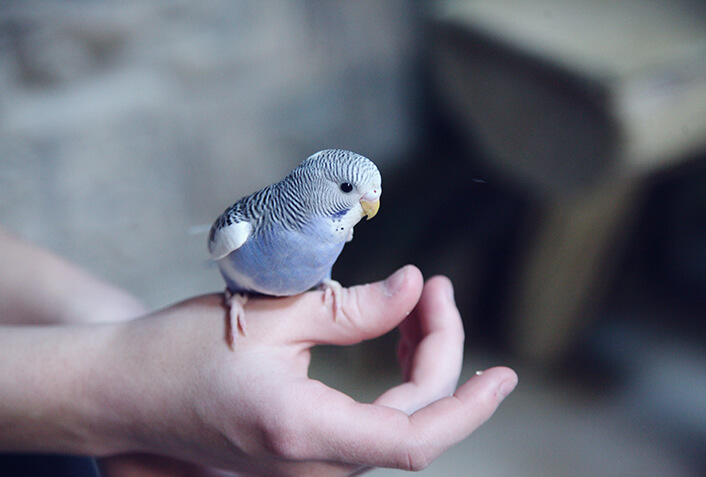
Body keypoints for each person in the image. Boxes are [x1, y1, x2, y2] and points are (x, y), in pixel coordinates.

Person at [0, 226, 517, 476]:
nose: (367, 207)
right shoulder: (250, 224)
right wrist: (124, 383)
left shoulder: (333, 230)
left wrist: (120, 326)